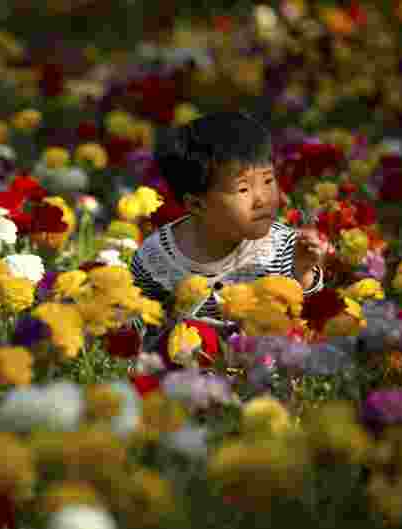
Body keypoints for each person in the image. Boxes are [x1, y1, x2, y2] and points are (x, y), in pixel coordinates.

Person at [130, 110, 325, 350]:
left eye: (268, 180)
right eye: (243, 190)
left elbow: (310, 320)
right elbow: (137, 331)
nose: (262, 198)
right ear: (196, 204)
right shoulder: (155, 258)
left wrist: (303, 271)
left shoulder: (284, 247)